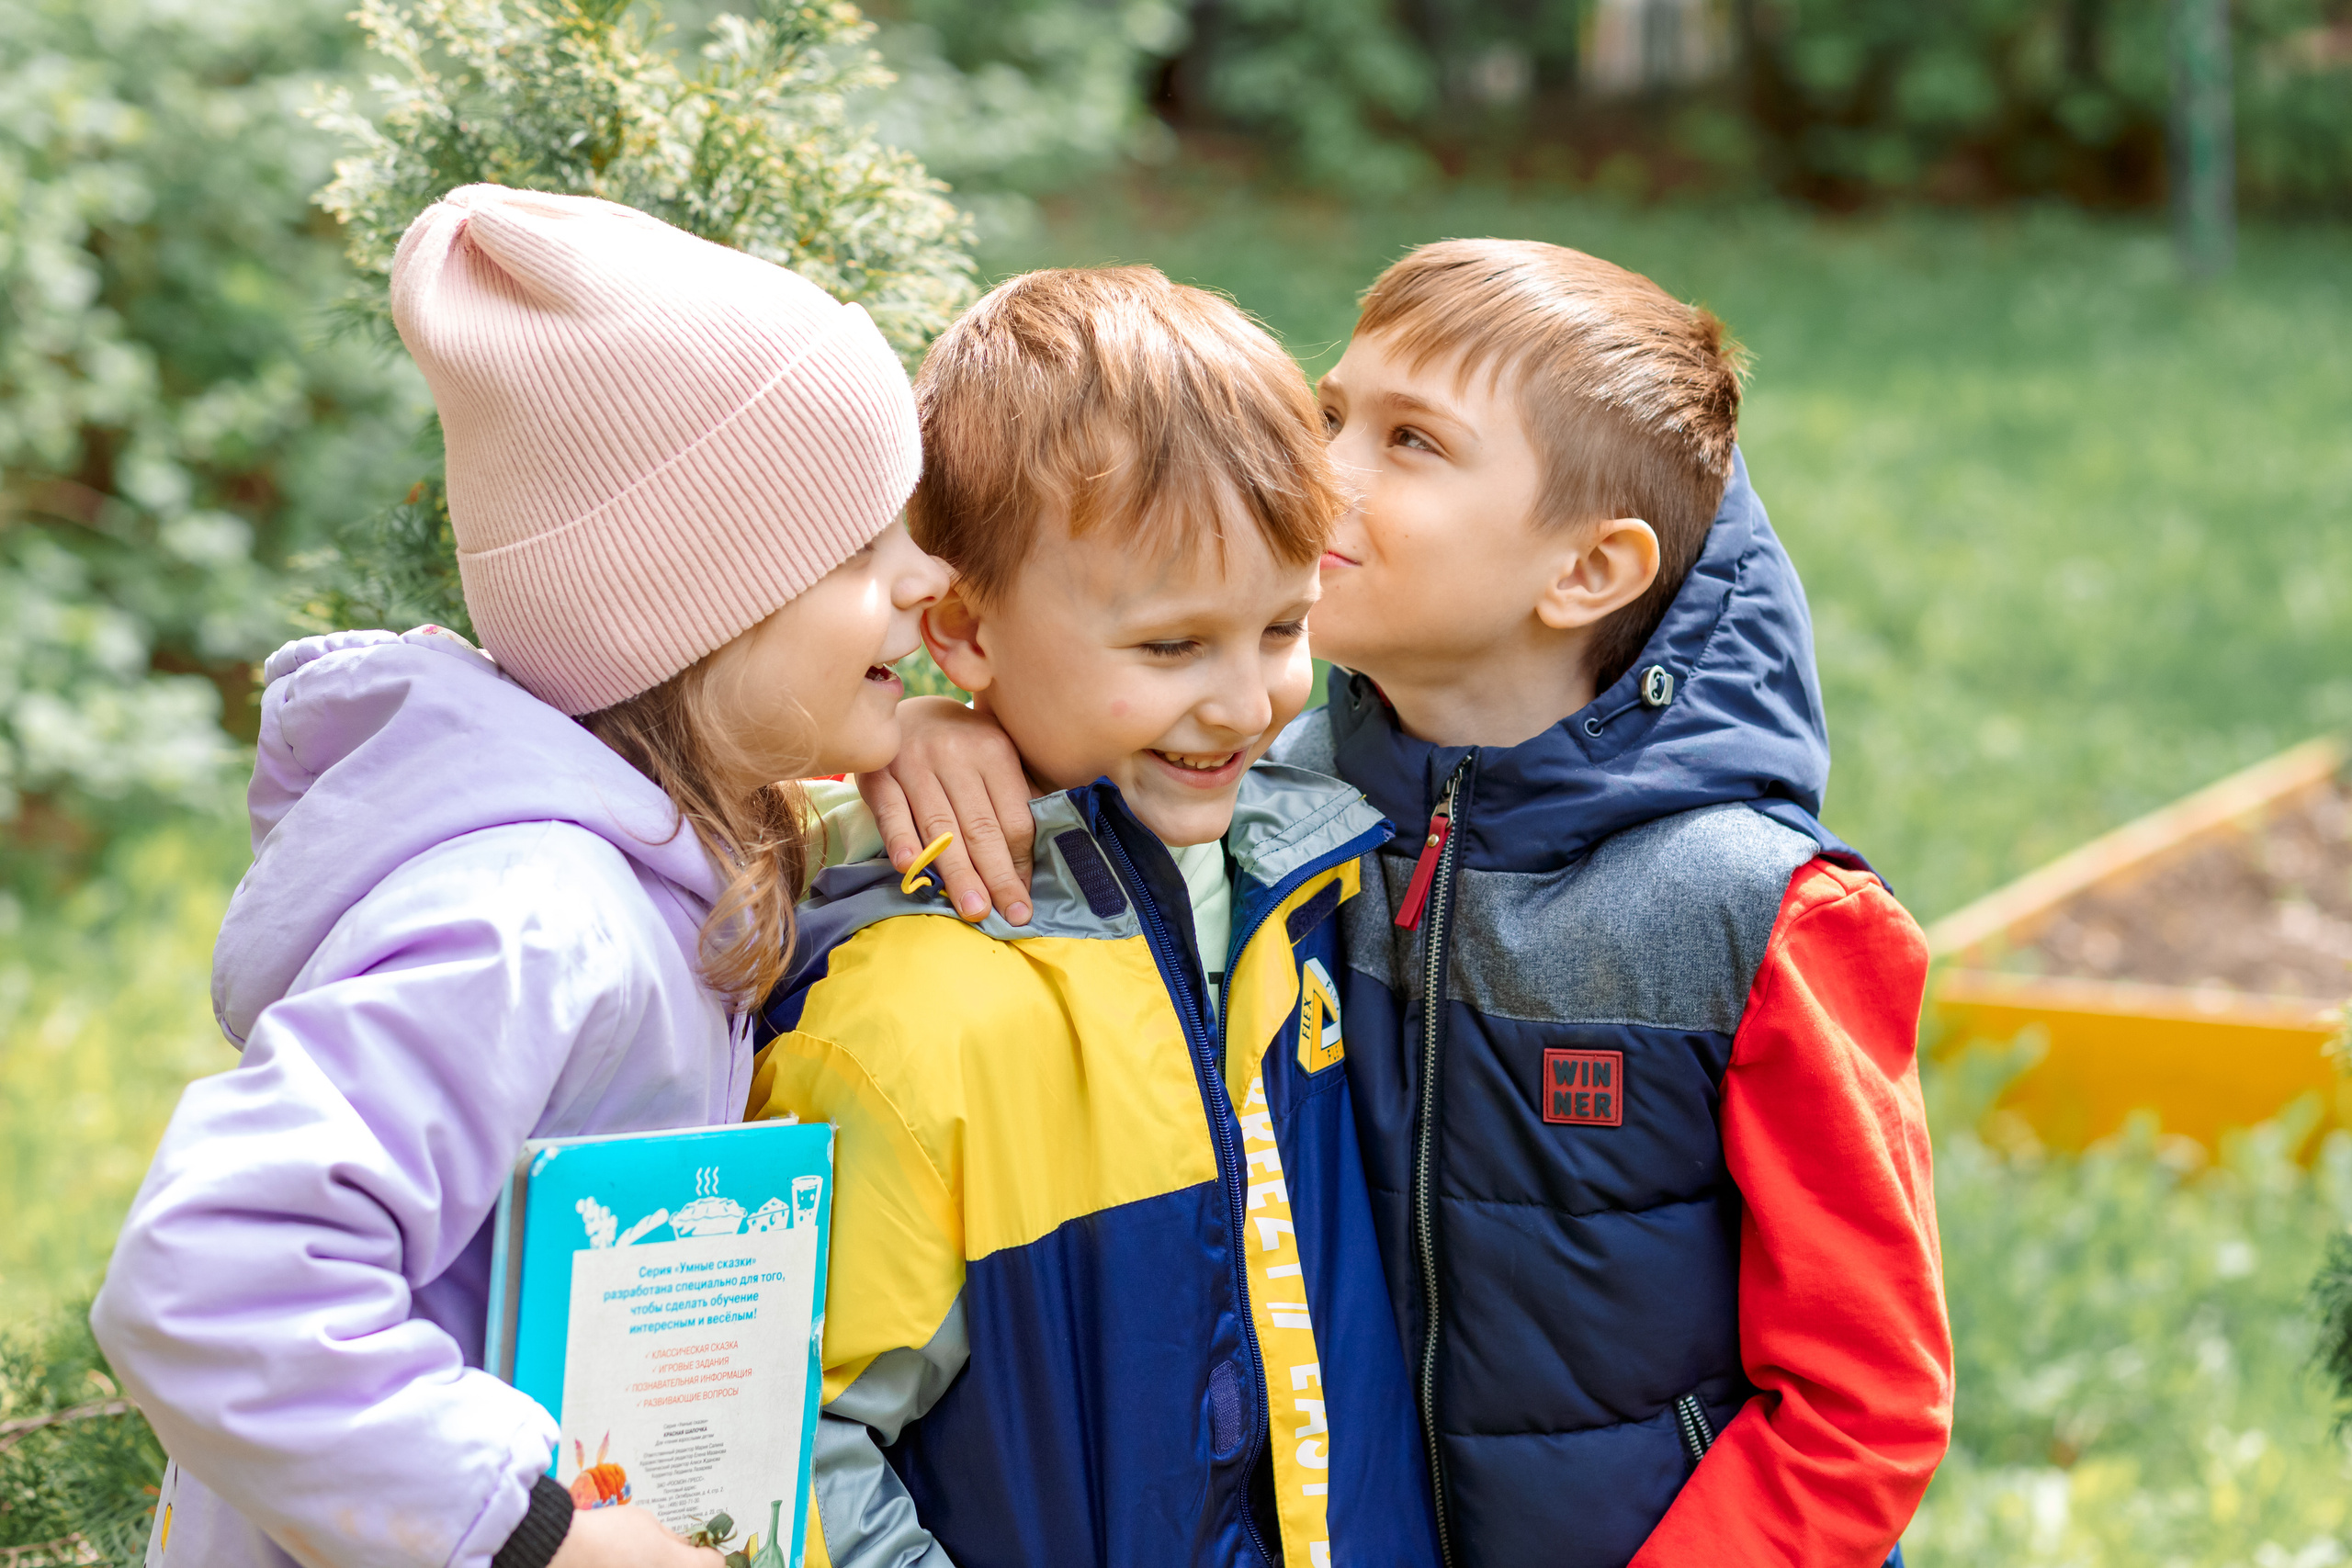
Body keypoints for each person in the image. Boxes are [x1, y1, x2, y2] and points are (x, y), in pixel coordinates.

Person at [858, 240, 1954, 1566]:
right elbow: (1084, 708)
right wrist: (946, 733)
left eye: (1412, 441)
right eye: (1330, 415)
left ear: (1587, 571)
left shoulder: (1760, 919)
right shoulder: (1272, 807)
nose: (1323, 472)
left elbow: (1863, 1404)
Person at [89, 185, 948, 1568]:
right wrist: (534, 1531)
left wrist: (957, 744)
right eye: (859, 548)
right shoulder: (531, 919)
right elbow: (213, 1280)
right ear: (687, 607)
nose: (926, 578)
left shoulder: (674, 864)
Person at [745, 265, 1440, 1568]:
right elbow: (787, 1441)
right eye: (1172, 648)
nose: (1247, 703)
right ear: (962, 627)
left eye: (1283, 626)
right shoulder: (907, 1018)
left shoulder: (1314, 882)